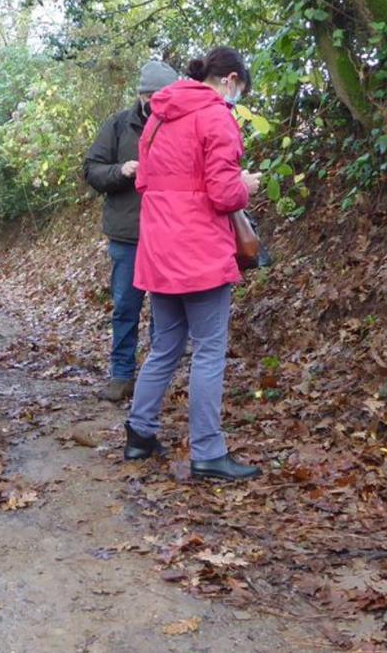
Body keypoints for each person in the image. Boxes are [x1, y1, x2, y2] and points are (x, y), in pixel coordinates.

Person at [122, 47, 264, 481]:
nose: (236, 95)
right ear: (231, 80)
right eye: (239, 87)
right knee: (208, 352)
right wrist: (245, 186)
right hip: (199, 250)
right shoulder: (216, 116)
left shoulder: (159, 118)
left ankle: (139, 434)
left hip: (159, 249)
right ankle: (207, 451)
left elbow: (145, 181)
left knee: (165, 345)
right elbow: (223, 195)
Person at [84, 61, 178, 403]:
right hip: (128, 236)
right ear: (142, 95)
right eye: (152, 96)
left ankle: (156, 379)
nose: (158, 102)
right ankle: (121, 375)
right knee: (125, 306)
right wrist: (120, 170)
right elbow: (91, 170)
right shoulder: (119, 125)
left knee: (165, 312)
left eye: (165, 95)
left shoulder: (180, 123)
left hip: (169, 235)